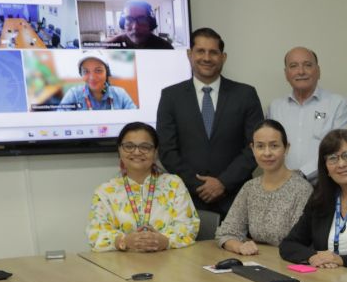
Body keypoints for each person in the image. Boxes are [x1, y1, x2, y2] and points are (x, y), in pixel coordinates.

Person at [155, 27, 265, 215]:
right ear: (190, 54)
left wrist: (223, 183)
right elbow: (167, 149)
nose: (207, 58)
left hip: (236, 198)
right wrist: (200, 186)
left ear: (223, 57)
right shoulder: (171, 96)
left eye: (213, 52)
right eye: (200, 51)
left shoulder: (245, 95)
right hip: (188, 199)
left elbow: (255, 146)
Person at [87, 122, 198, 252]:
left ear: (155, 152)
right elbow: (95, 234)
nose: (137, 152)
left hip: (167, 261)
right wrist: (124, 241)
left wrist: (165, 241)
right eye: (129, 146)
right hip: (121, 265)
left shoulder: (174, 185)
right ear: (119, 150)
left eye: (145, 147)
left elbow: (189, 226)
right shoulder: (105, 192)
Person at [281, 129, 347, 269]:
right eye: (333, 158)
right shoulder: (320, 199)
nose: (341, 164)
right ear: (326, 168)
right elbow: (288, 244)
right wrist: (313, 257)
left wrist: (341, 260)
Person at [215, 120, 314, 255]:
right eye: (260, 146)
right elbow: (226, 233)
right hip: (255, 262)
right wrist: (239, 247)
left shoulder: (302, 189)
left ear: (286, 148)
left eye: (274, 146)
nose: (267, 153)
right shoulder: (250, 188)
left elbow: (296, 243)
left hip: (287, 265)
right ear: (252, 149)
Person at [268, 46, 347, 182]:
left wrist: (301, 174)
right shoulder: (275, 107)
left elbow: (338, 147)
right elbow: (269, 148)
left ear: (318, 71)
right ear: (286, 74)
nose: (301, 72)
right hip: (282, 186)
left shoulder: (338, 104)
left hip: (324, 187)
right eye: (294, 66)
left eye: (307, 65)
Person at [58, 54, 136, 110]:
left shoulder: (120, 94)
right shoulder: (73, 94)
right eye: (86, 71)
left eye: (98, 70)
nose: (92, 77)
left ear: (107, 73)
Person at [106, 0, 173, 49]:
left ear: (151, 23)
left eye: (142, 20)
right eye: (129, 19)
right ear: (123, 24)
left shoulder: (165, 47)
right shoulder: (111, 46)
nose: (135, 27)